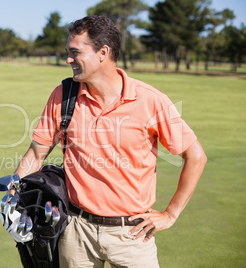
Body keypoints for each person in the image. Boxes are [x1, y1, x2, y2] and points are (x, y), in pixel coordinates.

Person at [14, 15, 207, 267]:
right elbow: (35, 155)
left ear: (103, 52)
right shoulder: (63, 95)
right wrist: (13, 196)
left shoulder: (150, 100)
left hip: (132, 235)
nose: (68, 59)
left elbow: (195, 155)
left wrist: (171, 214)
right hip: (75, 232)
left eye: (75, 52)